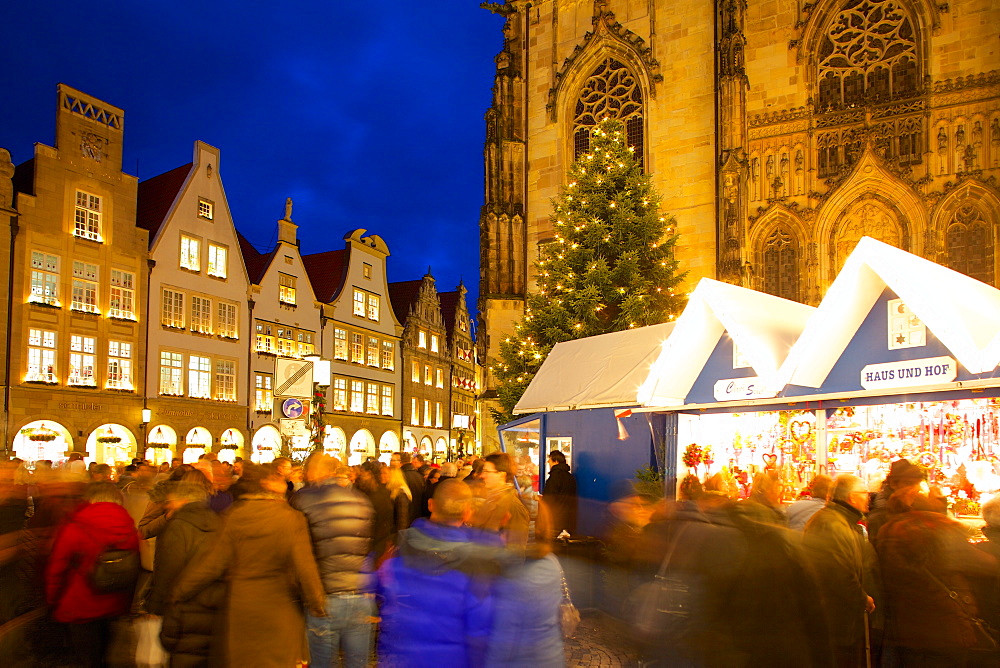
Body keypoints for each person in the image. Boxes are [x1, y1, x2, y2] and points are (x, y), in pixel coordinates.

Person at [172, 463, 326, 667]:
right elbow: (304, 568)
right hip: (278, 609)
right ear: (268, 485)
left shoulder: (236, 515)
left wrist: (179, 592)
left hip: (241, 609)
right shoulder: (290, 518)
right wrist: (317, 603)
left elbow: (211, 563)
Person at [377, 480, 504, 667]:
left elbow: (378, 589)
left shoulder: (397, 545)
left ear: (430, 505)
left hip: (401, 656)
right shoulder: (476, 563)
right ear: (467, 512)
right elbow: (479, 630)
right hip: (451, 659)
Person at [878, 490, 998, 665]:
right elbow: (984, 565)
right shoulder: (938, 529)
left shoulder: (888, 531)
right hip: (945, 628)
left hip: (906, 626)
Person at [291, 453, 375, 668]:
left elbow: (298, 551)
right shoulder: (360, 499)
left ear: (316, 472)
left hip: (324, 596)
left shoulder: (303, 499)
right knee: (357, 663)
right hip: (359, 594)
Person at [45, 482, 140, 667]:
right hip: (115, 603)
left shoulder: (76, 525)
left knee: (86, 658)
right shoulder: (128, 526)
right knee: (107, 654)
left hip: (80, 605)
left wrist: (52, 599)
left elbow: (57, 568)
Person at [148, 473, 224, 667]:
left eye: (170, 501)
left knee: (184, 654)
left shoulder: (178, 527)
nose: (167, 506)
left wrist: (156, 607)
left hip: (183, 606)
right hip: (214, 604)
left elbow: (167, 570)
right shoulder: (220, 522)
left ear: (183, 500)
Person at [803, 475, 877, 666]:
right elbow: (838, 572)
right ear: (851, 498)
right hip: (834, 619)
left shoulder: (841, 521)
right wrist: (862, 598)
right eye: (864, 493)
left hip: (838, 618)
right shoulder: (832, 524)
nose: (868, 497)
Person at [485, 505, 565, 667]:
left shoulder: (514, 577)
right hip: (551, 656)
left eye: (505, 529)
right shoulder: (551, 562)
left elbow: (504, 642)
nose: (501, 535)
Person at [470, 452, 531, 549]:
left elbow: (515, 553)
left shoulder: (513, 507)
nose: (482, 476)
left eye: (487, 471)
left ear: (501, 475)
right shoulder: (491, 500)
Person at [542, 450, 577, 537]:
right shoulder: (570, 478)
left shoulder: (554, 477)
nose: (548, 462)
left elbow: (548, 499)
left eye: (550, 460)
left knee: (553, 545)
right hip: (568, 519)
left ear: (556, 462)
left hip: (555, 519)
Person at [398, 452, 426, 523]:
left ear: (400, 462)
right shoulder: (419, 476)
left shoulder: (401, 476)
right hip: (417, 514)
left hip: (405, 515)